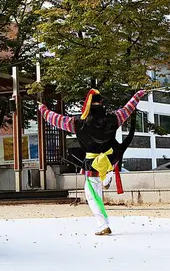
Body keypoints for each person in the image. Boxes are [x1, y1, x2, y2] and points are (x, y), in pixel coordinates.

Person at [39, 89, 146, 235]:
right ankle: (107, 175)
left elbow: (55, 118)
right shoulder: (114, 117)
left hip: (92, 162)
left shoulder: (77, 122)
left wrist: (42, 109)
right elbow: (129, 108)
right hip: (109, 158)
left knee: (91, 194)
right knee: (97, 191)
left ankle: (103, 224)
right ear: (102, 103)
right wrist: (138, 95)